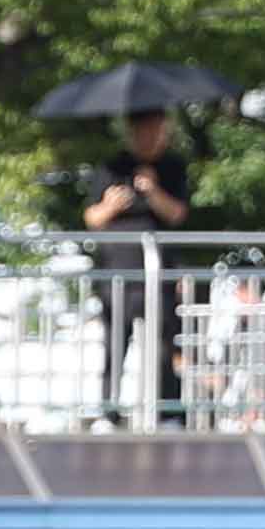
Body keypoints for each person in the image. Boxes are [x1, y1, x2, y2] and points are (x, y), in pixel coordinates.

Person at [78, 104, 197, 425]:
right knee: (115, 342)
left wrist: (153, 190)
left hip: (159, 270)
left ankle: (169, 412)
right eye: (148, 131)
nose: (154, 137)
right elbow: (91, 218)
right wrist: (110, 205)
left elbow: (178, 214)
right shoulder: (111, 167)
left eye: (160, 131)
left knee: (164, 342)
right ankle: (108, 411)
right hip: (117, 270)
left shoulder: (172, 167)